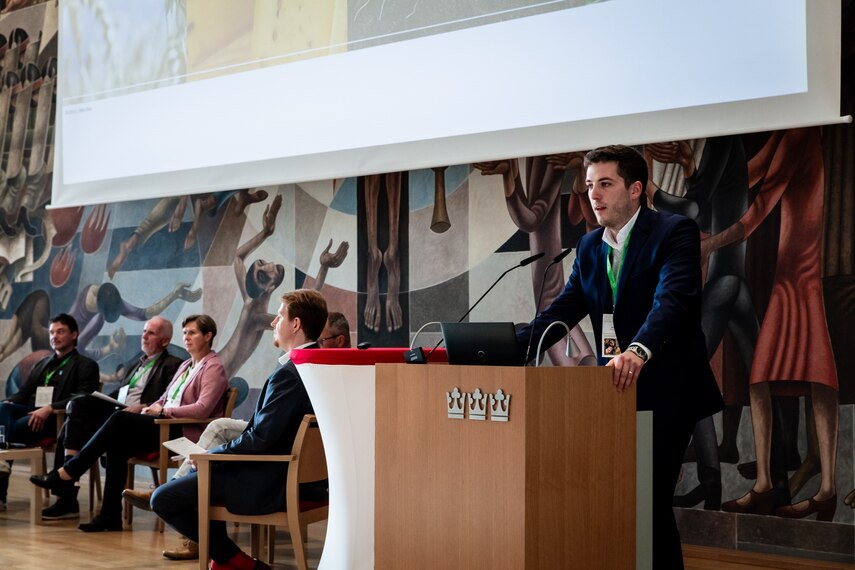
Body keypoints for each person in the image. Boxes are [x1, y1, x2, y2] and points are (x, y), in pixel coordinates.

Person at [515, 145, 724, 569]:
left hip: (667, 389)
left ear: (635, 189)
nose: (593, 194)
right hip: (612, 392)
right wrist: (504, 345)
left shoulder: (674, 231)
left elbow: (672, 301)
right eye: (590, 184)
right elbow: (562, 310)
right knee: (617, 499)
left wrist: (638, 350)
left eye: (605, 184)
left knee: (648, 500)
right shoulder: (590, 246)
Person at [123, 310, 349, 561]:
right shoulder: (315, 368)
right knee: (205, 463)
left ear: (295, 324)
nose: (273, 322)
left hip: (269, 476)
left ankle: (235, 561)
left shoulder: (288, 374)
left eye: (280, 316)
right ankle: (226, 557)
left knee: (166, 496)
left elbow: (260, 437)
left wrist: (212, 456)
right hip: (295, 473)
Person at [30, 314, 229, 532]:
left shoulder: (213, 367)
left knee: (119, 419)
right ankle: (110, 516)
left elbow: (203, 409)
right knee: (117, 443)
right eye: (184, 333)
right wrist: (152, 407)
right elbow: (164, 398)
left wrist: (164, 410)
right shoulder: (186, 366)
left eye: (192, 333)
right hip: (162, 423)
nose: (186, 338)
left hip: (183, 431)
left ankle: (69, 471)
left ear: (208, 336)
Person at [40, 316, 183, 520]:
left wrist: (143, 406)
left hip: (143, 422)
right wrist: (101, 399)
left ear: (165, 341)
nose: (144, 336)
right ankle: (68, 489)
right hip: (120, 414)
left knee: (99, 427)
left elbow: (168, 400)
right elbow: (120, 393)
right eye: (144, 331)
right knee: (77, 407)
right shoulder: (136, 363)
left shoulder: (173, 365)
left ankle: (66, 485)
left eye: (151, 333)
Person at [0, 313, 99, 511]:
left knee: (7, 431)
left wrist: (51, 408)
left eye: (60, 332)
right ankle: (1, 457)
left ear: (74, 334)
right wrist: (8, 403)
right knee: (2, 409)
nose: (54, 336)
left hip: (58, 420)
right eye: (52, 332)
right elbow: (22, 394)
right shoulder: (42, 363)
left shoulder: (86, 365)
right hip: (30, 414)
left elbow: (83, 398)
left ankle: (0, 489)